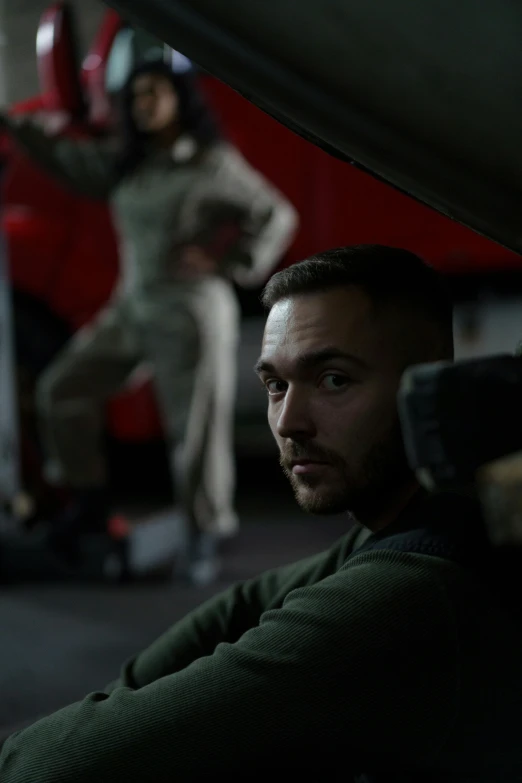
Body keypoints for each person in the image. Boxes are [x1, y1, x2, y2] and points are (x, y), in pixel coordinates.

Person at [2, 245, 522, 782]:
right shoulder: (437, 510)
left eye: (334, 379)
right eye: (276, 384)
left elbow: (47, 768)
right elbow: (241, 607)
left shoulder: (405, 594)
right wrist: (124, 699)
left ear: (427, 387)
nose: (289, 421)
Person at [0, 60, 298, 583]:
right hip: (132, 306)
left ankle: (204, 535)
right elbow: (65, 159)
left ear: (180, 99)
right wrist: (11, 123)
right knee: (61, 390)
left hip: (189, 310)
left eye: (155, 92)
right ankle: (88, 501)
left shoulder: (208, 163)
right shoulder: (128, 165)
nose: (144, 103)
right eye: (136, 95)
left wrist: (228, 262)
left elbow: (275, 213)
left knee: (193, 432)